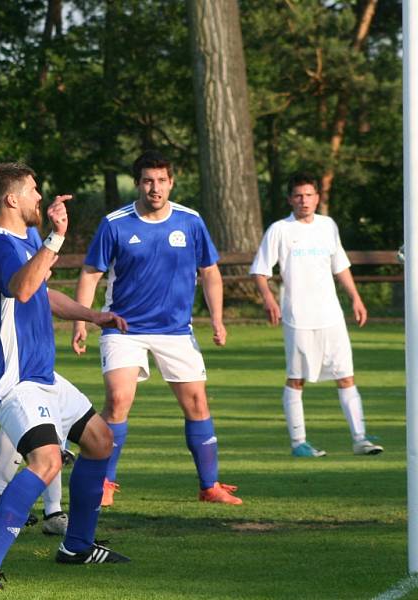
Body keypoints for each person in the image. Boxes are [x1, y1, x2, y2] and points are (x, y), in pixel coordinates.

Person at [0, 163, 130, 591]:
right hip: (13, 378)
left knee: (100, 440)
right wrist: (54, 238)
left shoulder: (15, 241)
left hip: (41, 372)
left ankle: (78, 546)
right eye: (33, 190)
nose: (39, 197)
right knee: (47, 460)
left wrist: (93, 315)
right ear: (12, 199)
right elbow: (24, 288)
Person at [71, 150, 242, 506]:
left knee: (197, 403)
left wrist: (217, 319)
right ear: (138, 183)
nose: (155, 188)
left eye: (162, 180)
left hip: (176, 329)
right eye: (148, 180)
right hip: (123, 327)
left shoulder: (190, 221)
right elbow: (91, 273)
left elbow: (210, 273)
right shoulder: (115, 223)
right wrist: (82, 321)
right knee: (118, 400)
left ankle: (209, 487)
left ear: (171, 183)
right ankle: (104, 483)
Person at [249, 171, 384, 458]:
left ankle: (360, 438)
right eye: (298, 195)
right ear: (290, 199)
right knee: (296, 379)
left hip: (331, 316)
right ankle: (299, 443)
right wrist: (269, 300)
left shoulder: (327, 226)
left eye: (309, 195)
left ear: (317, 198)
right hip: (298, 318)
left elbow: (340, 266)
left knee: (346, 375)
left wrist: (356, 299)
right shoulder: (280, 230)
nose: (304, 201)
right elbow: (261, 271)